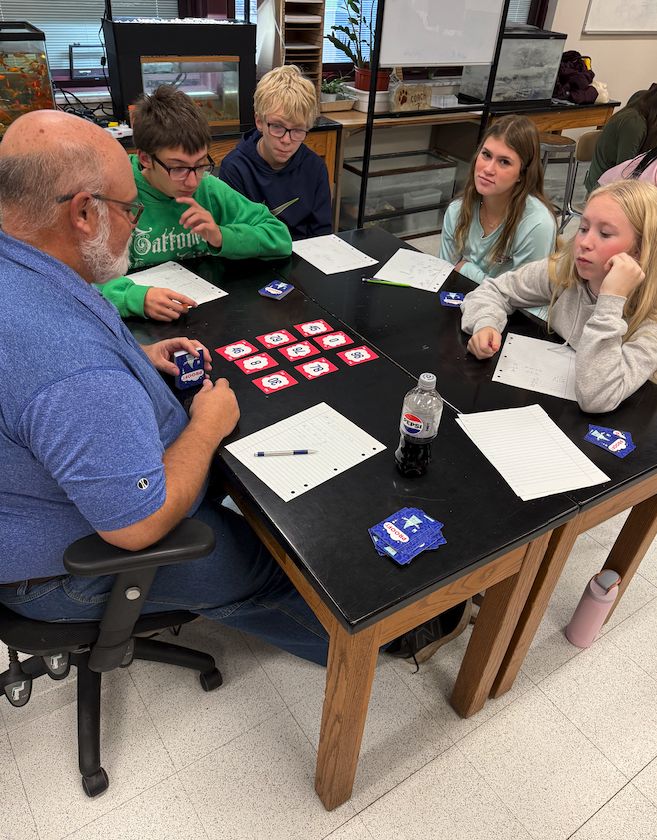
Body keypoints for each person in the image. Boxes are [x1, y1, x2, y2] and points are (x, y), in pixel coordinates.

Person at [0, 110, 466, 668]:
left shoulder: (25, 268)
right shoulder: (75, 371)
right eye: (130, 210)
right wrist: (206, 425)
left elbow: (44, 386)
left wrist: (138, 358)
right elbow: (138, 524)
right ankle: (387, 640)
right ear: (82, 213)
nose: (135, 221)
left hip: (36, 518)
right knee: (271, 567)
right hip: (66, 569)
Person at [98, 85, 293, 322]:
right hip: (137, 326)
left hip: (203, 316)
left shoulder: (208, 188)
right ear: (146, 158)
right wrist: (134, 298)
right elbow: (76, 278)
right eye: (178, 168)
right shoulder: (113, 194)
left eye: (200, 164)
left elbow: (280, 238)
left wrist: (221, 236)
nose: (192, 181)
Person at [461, 179, 657, 414]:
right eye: (583, 228)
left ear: (639, 250)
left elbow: (597, 397)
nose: (584, 243)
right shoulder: (565, 270)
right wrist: (485, 324)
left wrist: (611, 302)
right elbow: (493, 290)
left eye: (605, 234)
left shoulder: (651, 321)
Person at [439, 115, 556, 285]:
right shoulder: (457, 210)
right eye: (486, 154)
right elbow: (442, 276)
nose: (488, 169)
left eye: (504, 162)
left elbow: (523, 296)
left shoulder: (536, 225)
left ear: (522, 173)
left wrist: (466, 269)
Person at [219, 65, 332, 241]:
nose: (286, 140)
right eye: (278, 126)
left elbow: (322, 236)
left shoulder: (315, 168)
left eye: (298, 129)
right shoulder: (235, 168)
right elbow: (236, 237)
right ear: (259, 121)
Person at [585, 87, 657, 193]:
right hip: (604, 190)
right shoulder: (633, 123)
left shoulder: (642, 112)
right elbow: (625, 174)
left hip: (620, 185)